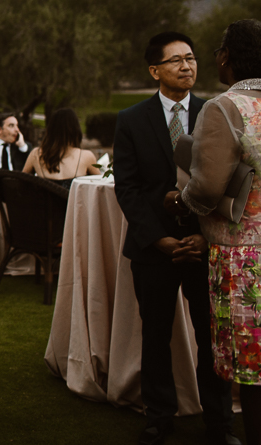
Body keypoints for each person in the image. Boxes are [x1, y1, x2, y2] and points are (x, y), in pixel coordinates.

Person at [114, 31, 235, 445]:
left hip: (206, 246)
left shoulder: (217, 113)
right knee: (155, 335)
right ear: (155, 71)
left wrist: (205, 236)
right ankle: (158, 418)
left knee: (211, 336)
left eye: (192, 58)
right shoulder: (130, 120)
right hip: (154, 249)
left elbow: (231, 184)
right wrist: (158, 239)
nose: (188, 66)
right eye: (176, 60)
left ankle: (219, 423)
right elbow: (126, 188)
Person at [165, 19, 261, 445]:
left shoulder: (225, 107)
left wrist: (183, 197)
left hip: (245, 259)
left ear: (226, 57)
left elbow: (207, 186)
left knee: (253, 370)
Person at [21, 107, 99, 189]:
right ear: (75, 129)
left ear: (50, 129)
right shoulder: (86, 156)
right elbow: (100, 188)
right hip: (73, 201)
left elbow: (21, 184)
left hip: (44, 201)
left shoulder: (36, 154)